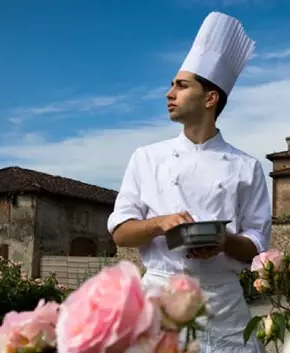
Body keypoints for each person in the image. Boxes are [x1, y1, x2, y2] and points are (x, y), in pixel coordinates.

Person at [107, 11, 271, 353]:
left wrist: (224, 242)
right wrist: (161, 223)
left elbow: (257, 242)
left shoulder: (247, 166)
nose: (169, 93)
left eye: (181, 86)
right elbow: (120, 232)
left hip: (224, 304)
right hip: (160, 297)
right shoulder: (146, 158)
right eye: (172, 84)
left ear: (210, 98)